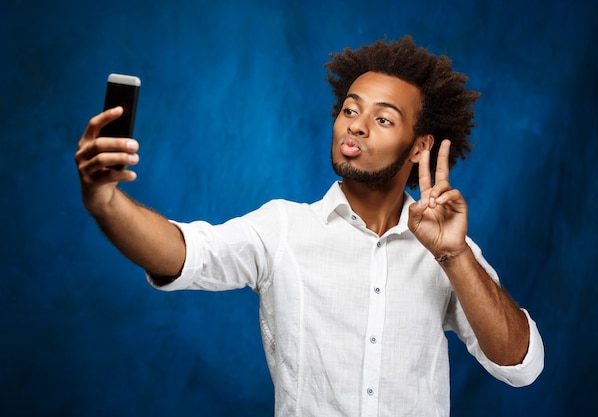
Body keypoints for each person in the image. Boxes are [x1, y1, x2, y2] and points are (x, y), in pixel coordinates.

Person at [75, 36, 544, 416]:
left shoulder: (449, 250)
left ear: (420, 147)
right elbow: (182, 253)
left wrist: (454, 255)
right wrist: (105, 202)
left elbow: (519, 365)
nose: (356, 126)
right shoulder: (282, 227)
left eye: (383, 118)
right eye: (350, 110)